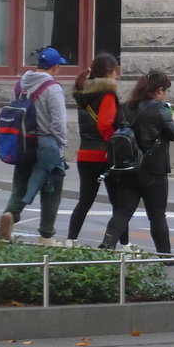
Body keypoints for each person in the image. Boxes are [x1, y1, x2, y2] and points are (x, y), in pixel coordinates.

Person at [99, 70, 174, 261]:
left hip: (128, 167)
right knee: (157, 215)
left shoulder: (125, 107)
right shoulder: (161, 109)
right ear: (159, 90)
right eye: (165, 90)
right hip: (154, 170)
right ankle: (165, 255)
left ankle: (107, 247)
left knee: (122, 212)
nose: (166, 94)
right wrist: (173, 120)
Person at [0, 47, 69, 245]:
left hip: (22, 143)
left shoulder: (19, 84)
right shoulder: (52, 88)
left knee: (20, 186)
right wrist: (61, 146)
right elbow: (59, 122)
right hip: (47, 145)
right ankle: (46, 236)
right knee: (51, 190)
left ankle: (10, 214)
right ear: (54, 67)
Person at [65, 52, 128, 249]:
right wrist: (115, 144)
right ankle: (124, 245)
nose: (116, 75)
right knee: (119, 204)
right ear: (110, 72)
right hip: (105, 155)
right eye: (115, 71)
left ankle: (71, 240)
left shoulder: (83, 94)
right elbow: (105, 125)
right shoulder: (107, 95)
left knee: (85, 200)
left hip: (85, 154)